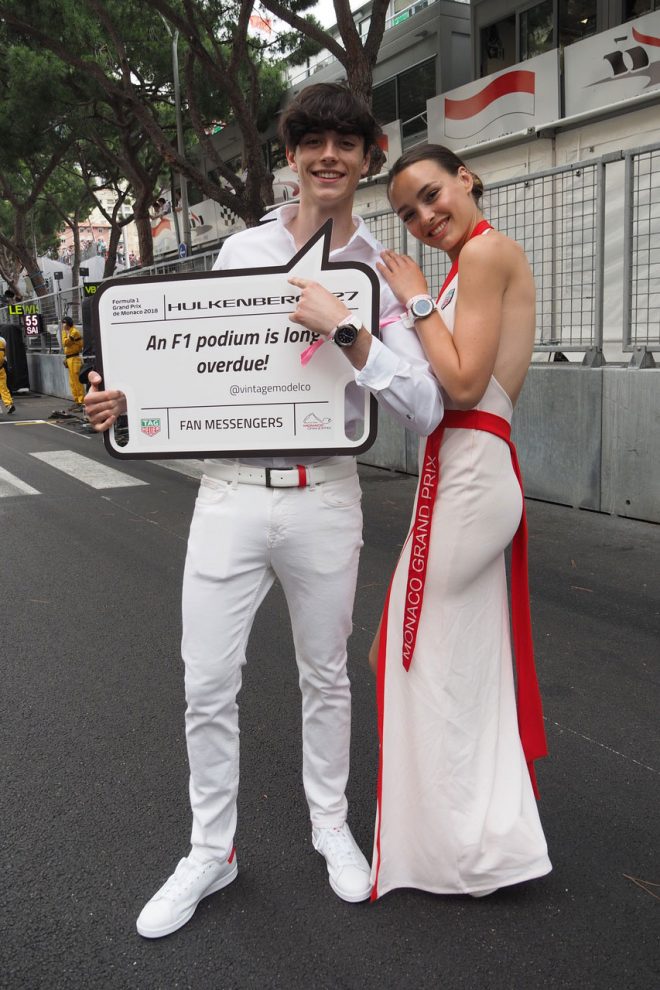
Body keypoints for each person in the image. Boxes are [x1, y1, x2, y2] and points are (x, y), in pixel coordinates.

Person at [84, 83, 444, 938]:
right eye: (312, 142)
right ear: (291, 156)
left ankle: (331, 826)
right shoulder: (242, 250)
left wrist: (349, 329)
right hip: (230, 493)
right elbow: (201, 362)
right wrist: (126, 400)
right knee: (206, 682)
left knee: (325, 676)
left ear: (368, 157)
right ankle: (212, 850)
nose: (328, 156)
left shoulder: (383, 273)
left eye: (345, 143)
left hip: (328, 497)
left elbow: (427, 406)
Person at [367, 144, 552, 900]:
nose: (423, 217)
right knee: (447, 660)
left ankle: (462, 842)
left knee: (405, 657)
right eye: (407, 213)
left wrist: (413, 301)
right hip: (460, 472)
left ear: (466, 178)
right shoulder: (464, 266)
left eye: (431, 194)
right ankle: (481, 839)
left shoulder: (483, 254)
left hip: (472, 473)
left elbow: (465, 381)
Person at [61, 317, 85, 408]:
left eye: (64, 323)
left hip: (75, 358)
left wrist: (67, 338)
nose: (63, 325)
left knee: (77, 380)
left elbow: (66, 343)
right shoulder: (65, 332)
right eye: (63, 323)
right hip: (69, 358)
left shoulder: (74, 332)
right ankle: (77, 400)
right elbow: (65, 342)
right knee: (72, 382)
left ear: (68, 323)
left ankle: (82, 401)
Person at [0, 335, 16, 414]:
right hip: (1, 368)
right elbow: (4, 354)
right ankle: (9, 404)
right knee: (3, 388)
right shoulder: (2, 340)